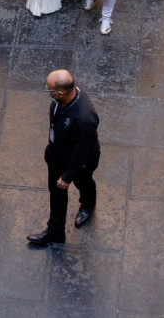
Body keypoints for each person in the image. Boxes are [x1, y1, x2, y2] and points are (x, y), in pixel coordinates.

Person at [27, 70, 100, 246]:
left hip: (78, 162)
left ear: (61, 93)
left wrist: (67, 176)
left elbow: (81, 151)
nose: (47, 91)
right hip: (57, 155)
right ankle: (55, 231)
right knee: (56, 193)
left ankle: (87, 205)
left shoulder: (84, 118)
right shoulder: (64, 98)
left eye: (48, 90)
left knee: (84, 182)